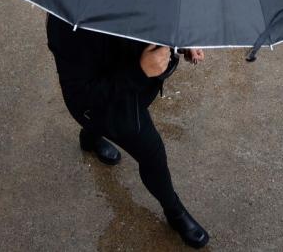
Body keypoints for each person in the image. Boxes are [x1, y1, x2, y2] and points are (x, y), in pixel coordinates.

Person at [46, 14, 209, 249]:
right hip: (102, 106)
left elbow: (159, 20)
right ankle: (174, 211)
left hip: (134, 88)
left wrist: (179, 42)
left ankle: (90, 138)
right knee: (152, 153)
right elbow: (82, 94)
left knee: (102, 128)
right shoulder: (67, 26)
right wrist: (139, 71)